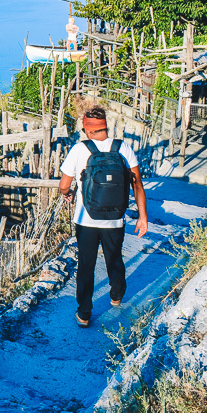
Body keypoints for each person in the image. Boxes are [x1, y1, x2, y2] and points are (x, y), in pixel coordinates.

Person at [58, 106, 148, 328]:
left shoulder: (79, 150)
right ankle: (116, 295)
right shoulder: (123, 148)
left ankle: (84, 314)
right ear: (105, 126)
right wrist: (142, 216)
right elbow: (137, 184)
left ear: (87, 129)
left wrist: (68, 194)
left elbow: (63, 185)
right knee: (114, 258)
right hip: (115, 219)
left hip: (85, 220)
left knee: (86, 265)